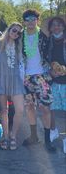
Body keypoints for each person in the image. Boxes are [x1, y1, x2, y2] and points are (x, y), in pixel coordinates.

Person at [22, 9, 55, 152]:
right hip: (26, 78)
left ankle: (47, 140)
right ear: (24, 21)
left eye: (33, 18)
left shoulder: (43, 34)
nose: (30, 21)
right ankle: (34, 136)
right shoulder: (20, 36)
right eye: (27, 19)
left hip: (42, 77)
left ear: (37, 20)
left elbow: (52, 20)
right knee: (29, 107)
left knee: (45, 109)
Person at [0, 23, 25, 150]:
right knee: (3, 110)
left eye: (18, 33)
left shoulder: (19, 47)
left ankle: (13, 135)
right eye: (14, 30)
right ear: (9, 29)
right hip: (1, 79)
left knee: (20, 110)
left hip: (16, 79)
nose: (15, 33)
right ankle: (5, 137)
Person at [47, 16, 66, 153]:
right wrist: (50, 72)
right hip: (54, 82)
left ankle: (65, 139)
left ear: (63, 27)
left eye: (59, 25)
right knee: (51, 109)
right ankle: (53, 130)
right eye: (54, 25)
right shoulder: (49, 42)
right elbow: (45, 60)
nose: (56, 27)